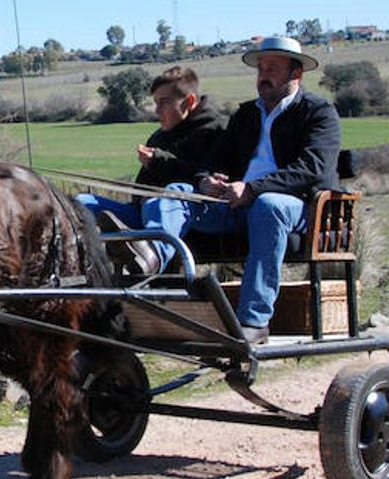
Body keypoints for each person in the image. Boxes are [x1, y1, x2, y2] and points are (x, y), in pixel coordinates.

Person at [170, 36, 341, 344]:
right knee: (176, 194)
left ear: (296, 74)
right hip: (236, 203)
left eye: (273, 68)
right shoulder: (246, 115)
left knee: (269, 205)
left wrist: (252, 188)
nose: (264, 74)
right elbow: (213, 160)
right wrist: (206, 180)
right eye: (261, 68)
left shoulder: (319, 113)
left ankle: (254, 320)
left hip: (296, 207)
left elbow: (312, 167)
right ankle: (151, 273)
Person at [75, 65, 224, 273]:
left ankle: (151, 259)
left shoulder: (218, 130)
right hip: (145, 212)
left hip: (190, 214)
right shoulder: (159, 136)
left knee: (165, 197)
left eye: (164, 103)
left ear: (189, 101)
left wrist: (158, 162)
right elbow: (142, 190)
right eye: (155, 103)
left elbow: (206, 179)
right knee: (81, 204)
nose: (157, 111)